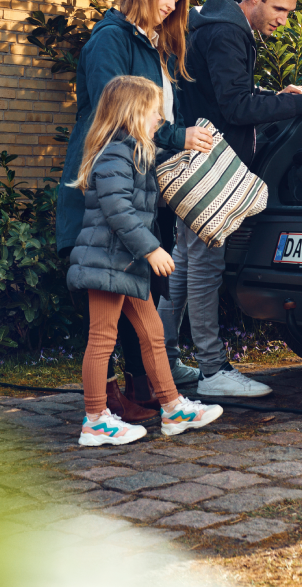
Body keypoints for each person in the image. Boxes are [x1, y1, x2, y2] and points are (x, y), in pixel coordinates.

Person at [165, 0, 302, 398]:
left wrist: (275, 96)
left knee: (184, 266)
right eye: (279, 10)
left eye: (290, 13)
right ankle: (212, 371)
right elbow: (235, 109)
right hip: (209, 169)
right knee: (202, 269)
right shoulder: (227, 33)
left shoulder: (215, 24)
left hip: (199, 163)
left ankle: (162, 360)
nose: (283, 20)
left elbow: (228, 97)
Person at [55, 0, 216, 423]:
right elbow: (120, 114)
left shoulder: (153, 47)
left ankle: (149, 396)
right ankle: (103, 407)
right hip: (106, 196)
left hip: (139, 189)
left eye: (177, 0)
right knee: (104, 309)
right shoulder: (111, 39)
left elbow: (155, 115)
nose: (171, 6)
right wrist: (176, 137)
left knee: (142, 300)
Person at [66, 75, 224, 446]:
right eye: (154, 112)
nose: (159, 119)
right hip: (107, 263)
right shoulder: (115, 154)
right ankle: (95, 420)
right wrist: (151, 248)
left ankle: (173, 408)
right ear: (132, 113)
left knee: (153, 333)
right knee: (102, 338)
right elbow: (118, 210)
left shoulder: (134, 152)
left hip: (125, 263)